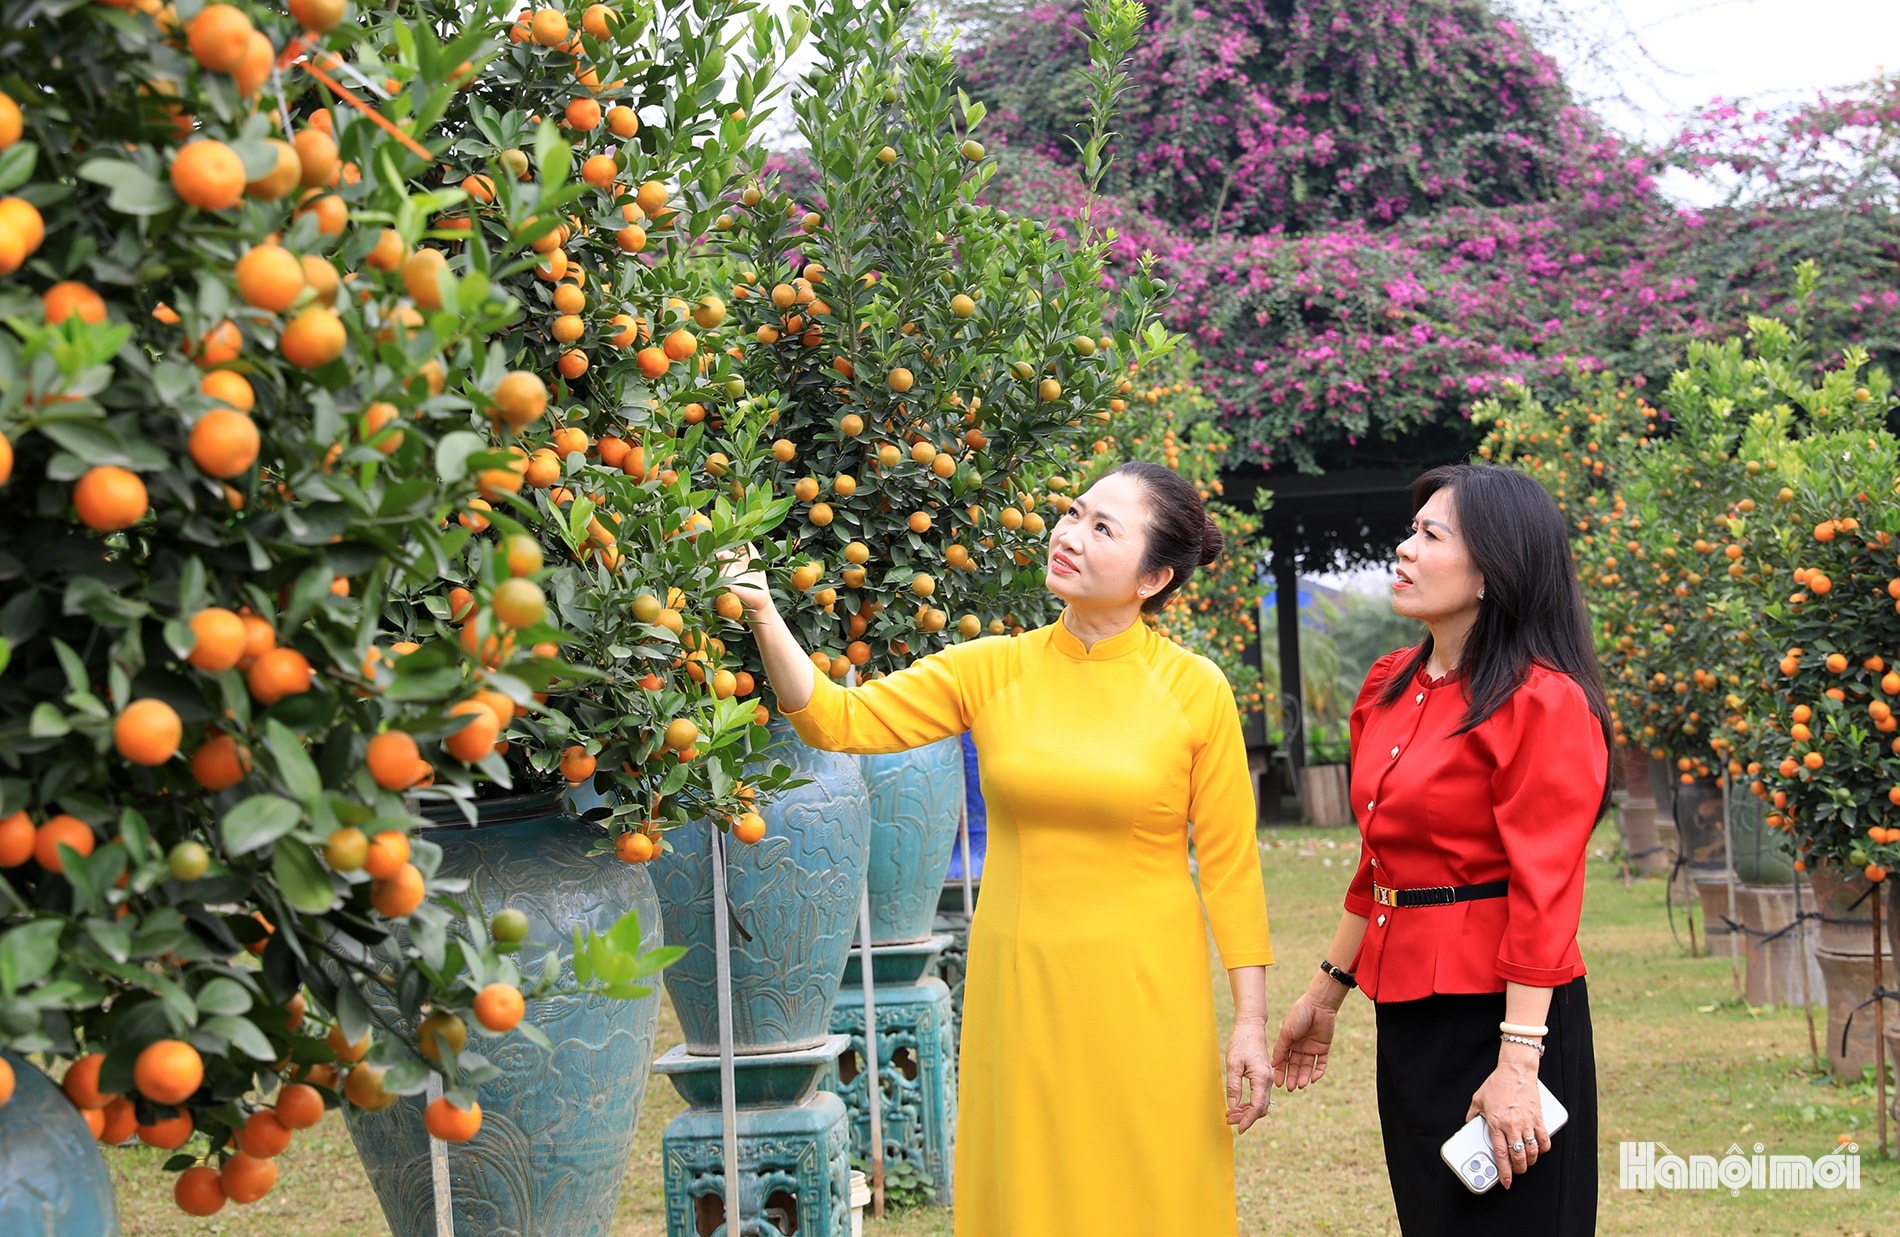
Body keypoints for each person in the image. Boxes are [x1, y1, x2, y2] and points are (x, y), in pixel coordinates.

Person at [723, 461, 1276, 1236]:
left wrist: (1249, 1020)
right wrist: (761, 608)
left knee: (1151, 1183)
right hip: (1021, 985)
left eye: (1103, 528)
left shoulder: (1195, 688)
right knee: (1029, 1189)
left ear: (1153, 577)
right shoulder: (992, 669)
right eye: (1074, 512)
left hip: (1149, 987)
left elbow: (1230, 864)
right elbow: (835, 718)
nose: (1070, 534)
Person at [1270, 463, 1610, 1236]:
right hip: (1409, 1018)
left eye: (1431, 534)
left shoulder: (1543, 699)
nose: (1405, 548)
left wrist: (1518, 1063)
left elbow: (1546, 890)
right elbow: (1380, 864)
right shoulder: (1388, 685)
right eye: (1410, 530)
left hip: (1508, 1015)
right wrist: (1324, 995)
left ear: (1492, 569)